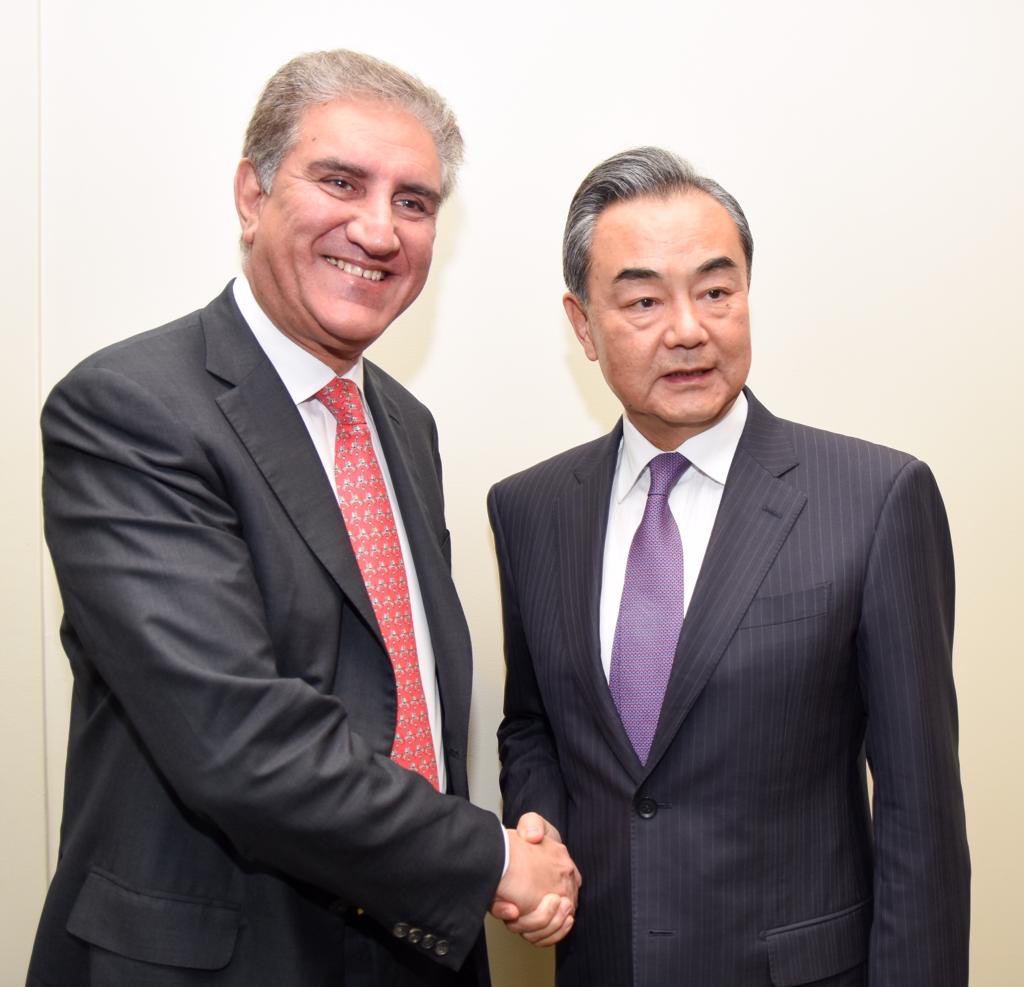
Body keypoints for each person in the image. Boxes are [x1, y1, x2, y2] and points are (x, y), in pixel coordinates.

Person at [28, 49, 577, 987]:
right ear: (252, 195)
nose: (378, 228)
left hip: (409, 946)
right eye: (340, 182)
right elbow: (236, 736)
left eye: (414, 201)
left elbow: (397, 695)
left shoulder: (404, 425)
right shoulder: (128, 408)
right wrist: (487, 857)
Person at [488, 146, 969, 986]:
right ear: (582, 325)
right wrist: (540, 830)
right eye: (643, 299)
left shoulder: (876, 498)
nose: (688, 328)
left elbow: (920, 823)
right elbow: (532, 721)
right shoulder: (530, 510)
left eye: (717, 290)